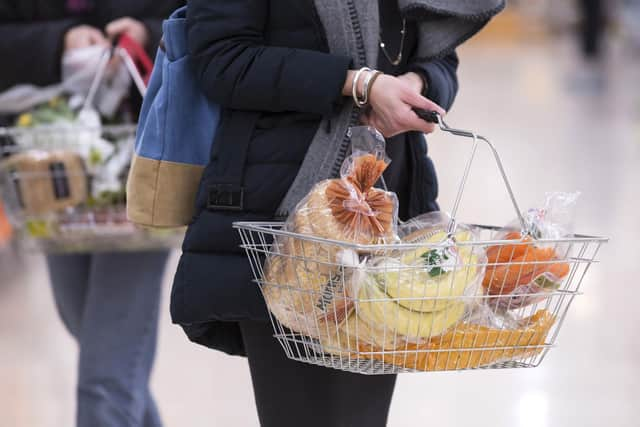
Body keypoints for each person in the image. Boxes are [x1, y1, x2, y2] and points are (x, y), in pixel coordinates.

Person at [170, 1, 504, 426]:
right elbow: (222, 60)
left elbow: (439, 56)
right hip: (286, 220)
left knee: (361, 415)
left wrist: (415, 84)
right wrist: (356, 84)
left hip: (388, 214)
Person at [0, 1, 183, 426]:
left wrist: (147, 31)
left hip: (142, 171)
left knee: (105, 378)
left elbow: (212, 23)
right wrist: (58, 42)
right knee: (94, 342)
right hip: (50, 175)